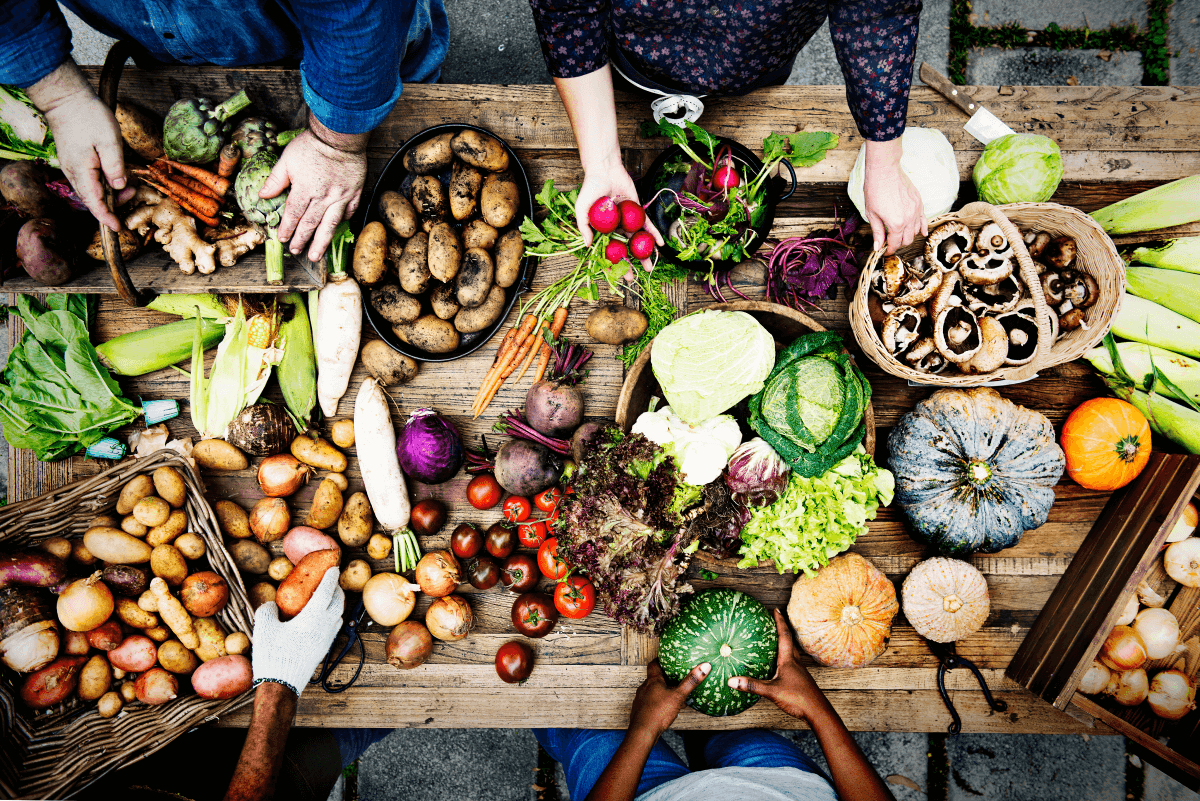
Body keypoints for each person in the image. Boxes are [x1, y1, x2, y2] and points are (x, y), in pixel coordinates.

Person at [1, 0, 448, 261]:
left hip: (358, 48)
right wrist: (61, 99)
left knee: (401, 105)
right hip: (169, 52)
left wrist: (336, 143)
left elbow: (359, 10)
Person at [527, 0, 928, 256]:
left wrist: (885, 161)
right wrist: (600, 161)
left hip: (757, 61)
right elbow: (567, 12)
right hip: (629, 59)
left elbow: (877, 12)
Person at [536, 608, 896, 801]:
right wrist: (817, 709)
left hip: (648, 793)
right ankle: (700, 735)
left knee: (570, 718)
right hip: (777, 783)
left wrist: (644, 731)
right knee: (721, 732)